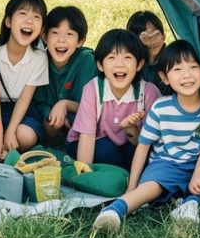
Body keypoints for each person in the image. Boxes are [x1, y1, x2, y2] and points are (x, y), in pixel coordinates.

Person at [93, 40, 200, 233]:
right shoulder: (161, 107)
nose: (187, 75)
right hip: (165, 164)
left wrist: (199, 170)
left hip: (198, 164)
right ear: (164, 77)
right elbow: (142, 146)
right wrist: (132, 186)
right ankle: (114, 211)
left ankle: (190, 205)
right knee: (149, 189)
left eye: (193, 67)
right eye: (177, 69)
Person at [66, 29, 160, 171]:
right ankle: (120, 176)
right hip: (91, 144)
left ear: (139, 64)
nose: (119, 64)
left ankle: (125, 179)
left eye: (127, 57)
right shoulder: (93, 89)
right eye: (112, 57)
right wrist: (85, 174)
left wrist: (131, 129)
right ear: (100, 65)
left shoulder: (148, 93)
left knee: (141, 154)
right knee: (105, 150)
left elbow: (147, 144)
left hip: (130, 145)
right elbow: (87, 137)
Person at [0, 0, 49, 158]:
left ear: (42, 28)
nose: (29, 21)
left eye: (36, 16)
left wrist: (10, 131)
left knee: (24, 136)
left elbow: (25, 98)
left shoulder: (39, 58)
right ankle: (0, 150)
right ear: (8, 21)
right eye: (23, 13)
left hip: (21, 109)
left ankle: (7, 152)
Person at [32, 6, 98, 146]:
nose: (61, 40)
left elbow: (89, 105)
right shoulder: (40, 61)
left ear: (80, 41)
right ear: (44, 36)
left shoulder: (86, 61)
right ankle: (53, 151)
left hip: (84, 126)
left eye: (69, 34)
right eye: (55, 33)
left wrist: (65, 105)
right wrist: (53, 113)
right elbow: (40, 103)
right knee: (51, 121)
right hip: (53, 125)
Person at [127, 11, 168, 94]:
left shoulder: (173, 59)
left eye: (156, 34)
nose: (151, 40)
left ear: (163, 35)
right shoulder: (129, 64)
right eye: (144, 36)